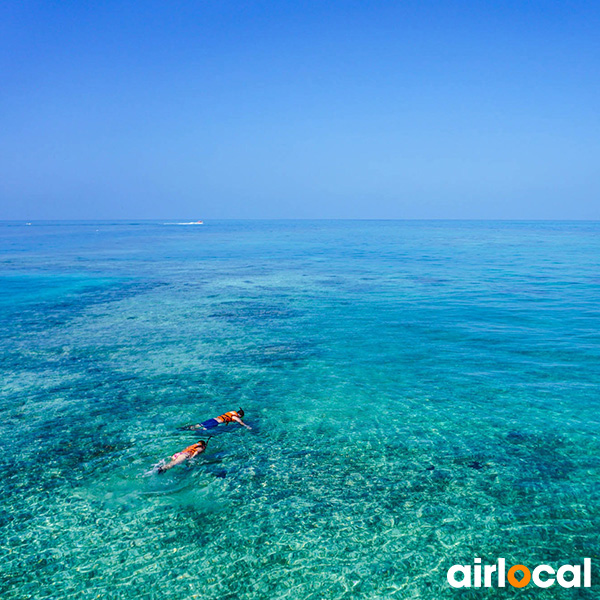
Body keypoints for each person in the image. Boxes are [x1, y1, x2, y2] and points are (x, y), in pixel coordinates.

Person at [184, 408, 252, 431]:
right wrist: (247, 426)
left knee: (199, 424)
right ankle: (191, 430)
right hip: (215, 422)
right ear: (240, 415)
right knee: (204, 429)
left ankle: (186, 428)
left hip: (213, 419)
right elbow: (241, 422)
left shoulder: (232, 412)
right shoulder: (235, 417)